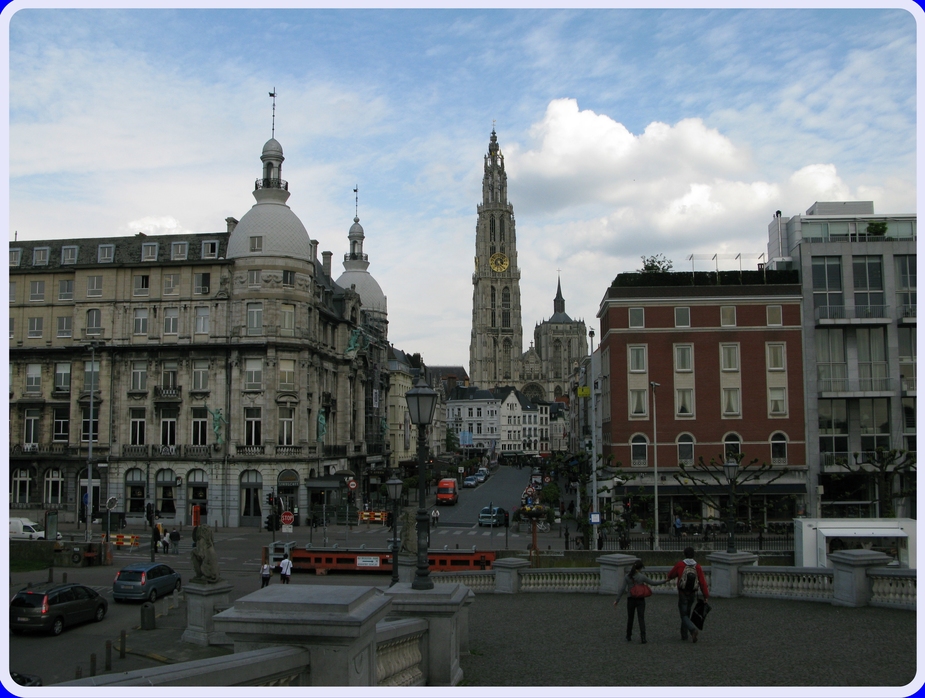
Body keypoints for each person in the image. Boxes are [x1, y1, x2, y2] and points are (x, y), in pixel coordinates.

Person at [613, 560, 667, 643]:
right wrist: (665, 581)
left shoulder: (627, 576)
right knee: (641, 618)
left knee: (630, 618)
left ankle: (628, 635)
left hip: (631, 599)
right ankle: (643, 637)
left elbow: (622, 589)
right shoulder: (642, 577)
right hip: (640, 599)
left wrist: (617, 600)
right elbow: (653, 583)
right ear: (640, 568)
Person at [666, 546, 710, 642]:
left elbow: (670, 575)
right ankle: (684, 635)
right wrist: (706, 596)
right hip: (692, 593)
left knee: (683, 614)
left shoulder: (680, 564)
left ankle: (692, 630)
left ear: (685, 554)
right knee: (687, 612)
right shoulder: (697, 566)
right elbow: (702, 583)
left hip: (682, 592)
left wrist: (669, 578)